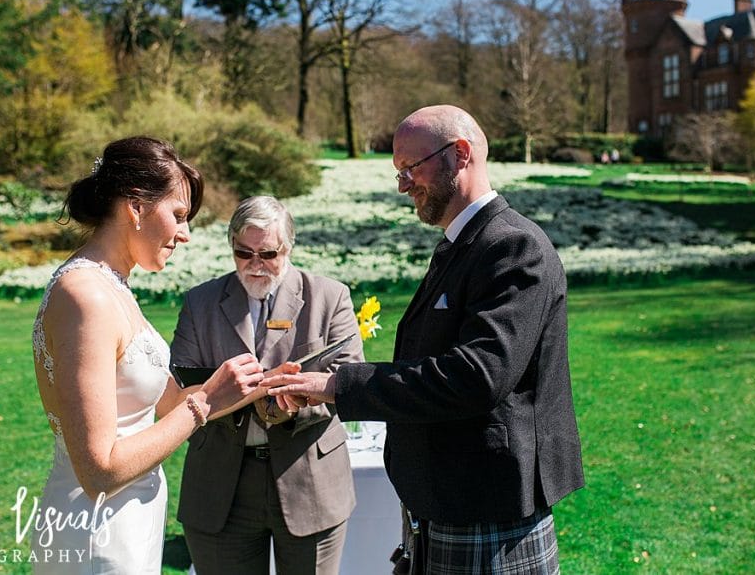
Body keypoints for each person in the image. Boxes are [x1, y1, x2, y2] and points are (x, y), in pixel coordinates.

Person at [264, 105, 585, 574]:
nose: (402, 184)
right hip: (445, 504)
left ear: (460, 154)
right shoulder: (462, 245)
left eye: (410, 168)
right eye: (399, 172)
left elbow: (477, 376)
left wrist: (337, 386)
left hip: (485, 512)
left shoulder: (513, 247)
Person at [30, 136, 265, 574]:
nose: (186, 234)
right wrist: (206, 402)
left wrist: (258, 384)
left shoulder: (114, 285)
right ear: (135, 207)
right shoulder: (86, 297)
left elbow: (167, 404)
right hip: (96, 531)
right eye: (178, 215)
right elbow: (99, 469)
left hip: (129, 524)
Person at [171, 196, 364, 575]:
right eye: (244, 253)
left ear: (288, 248)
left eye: (268, 253)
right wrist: (246, 394)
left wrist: (293, 401)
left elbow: (347, 379)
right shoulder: (201, 302)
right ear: (231, 247)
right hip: (221, 483)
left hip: (309, 477)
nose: (256, 265)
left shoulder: (329, 296)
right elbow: (180, 384)